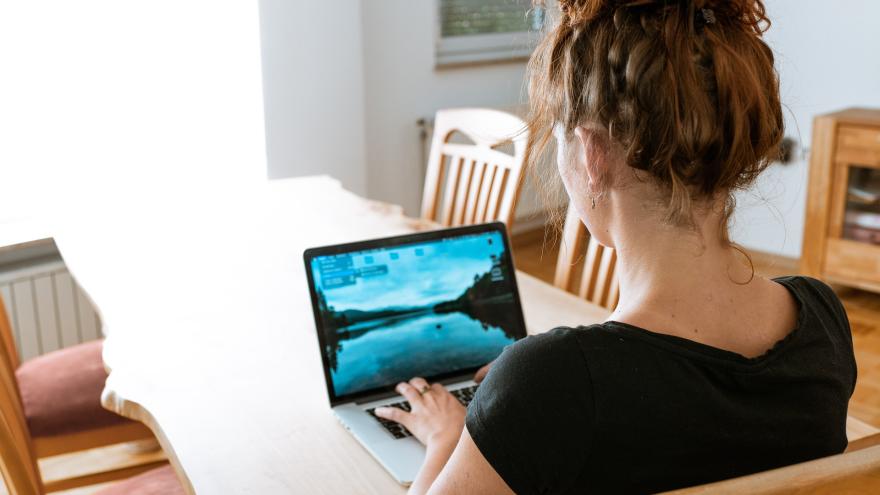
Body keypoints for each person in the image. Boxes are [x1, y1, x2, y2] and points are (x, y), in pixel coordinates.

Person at [374, 0, 856, 493]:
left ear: (592, 154)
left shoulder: (554, 384)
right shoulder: (823, 319)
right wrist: (521, 398)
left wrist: (449, 437)